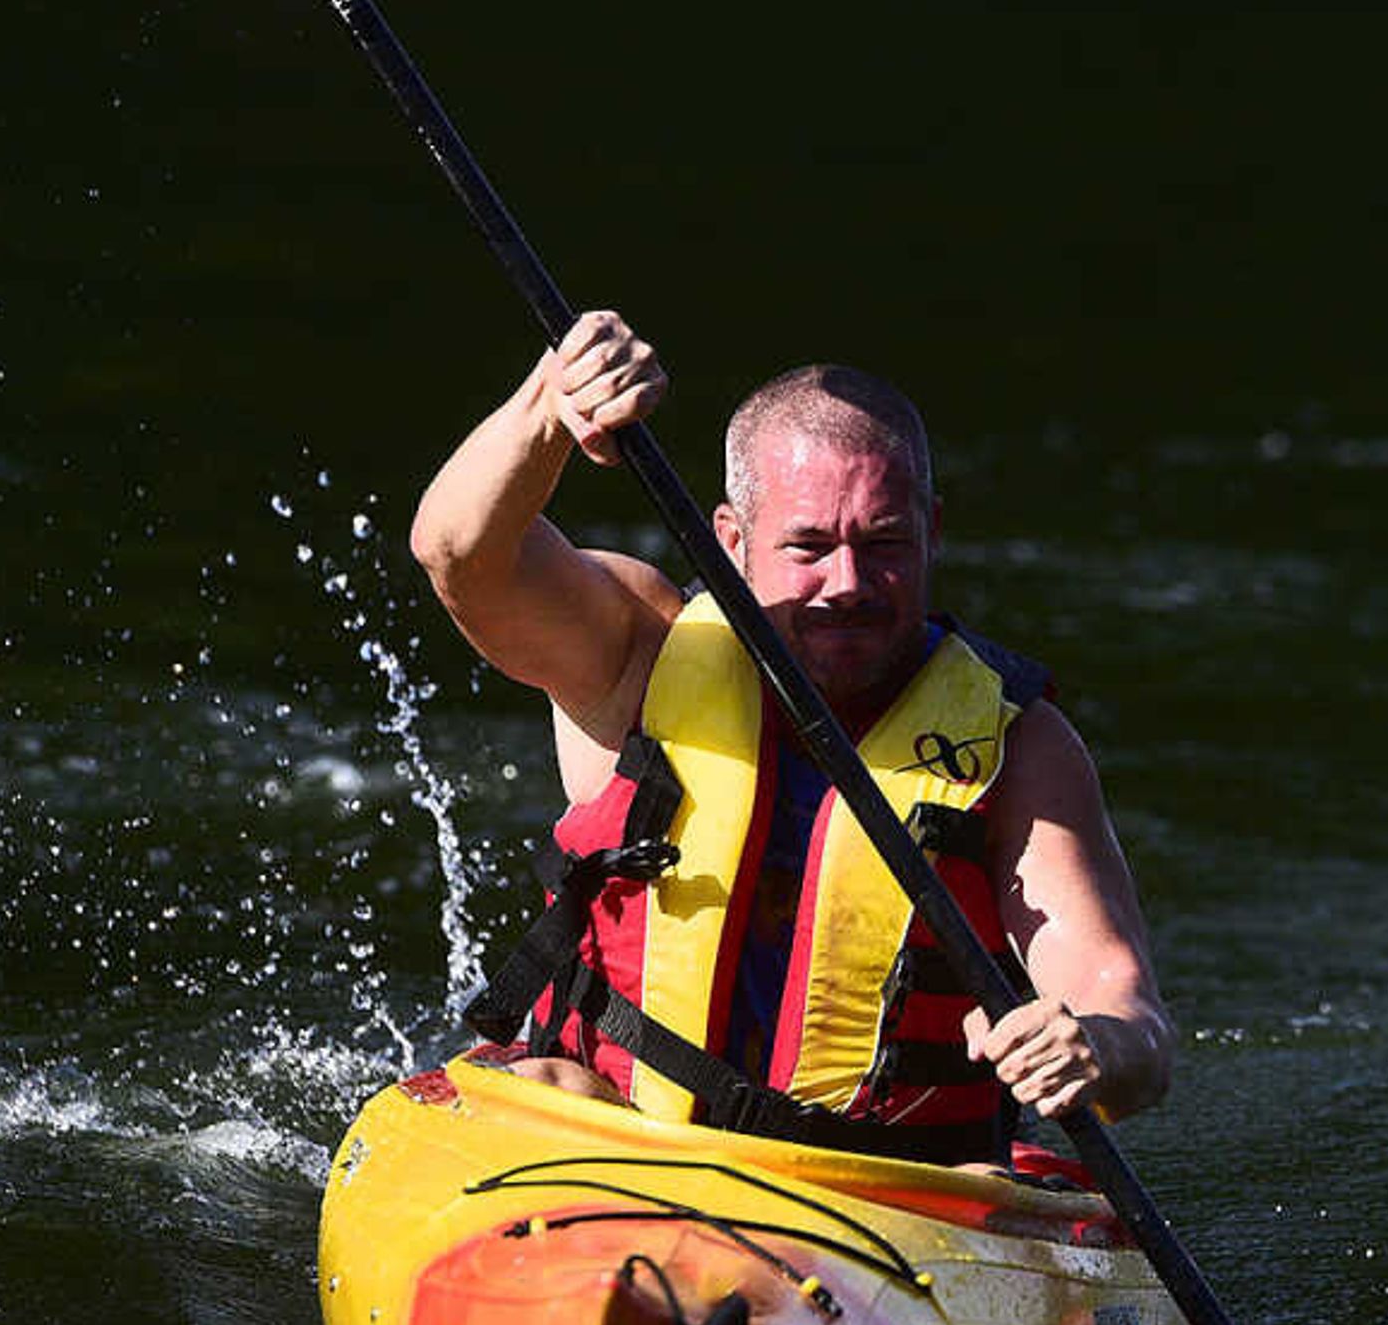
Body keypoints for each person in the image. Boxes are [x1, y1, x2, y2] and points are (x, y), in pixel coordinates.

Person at [408, 308, 1170, 1162]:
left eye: (884, 543)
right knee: (548, 1085)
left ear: (934, 534)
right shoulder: (634, 652)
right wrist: (549, 406)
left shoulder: (1018, 746)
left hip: (885, 1189)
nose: (848, 582)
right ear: (732, 541)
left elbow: (1127, 1011)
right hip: (610, 1139)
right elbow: (458, 553)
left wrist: (1093, 1046)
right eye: (809, 545)